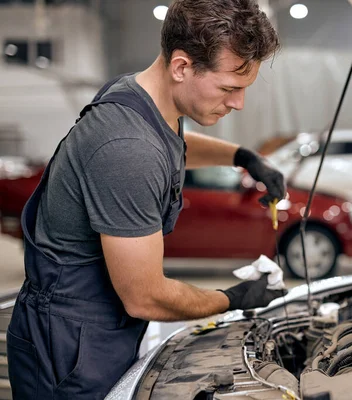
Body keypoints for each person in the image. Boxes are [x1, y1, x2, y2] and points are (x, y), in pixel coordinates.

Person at [6, 1, 286, 398]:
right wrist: (231, 298)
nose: (238, 102)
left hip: (95, 328)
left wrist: (243, 158)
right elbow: (145, 296)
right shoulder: (127, 149)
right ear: (182, 67)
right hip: (68, 349)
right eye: (229, 88)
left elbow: (169, 142)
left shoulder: (139, 98)